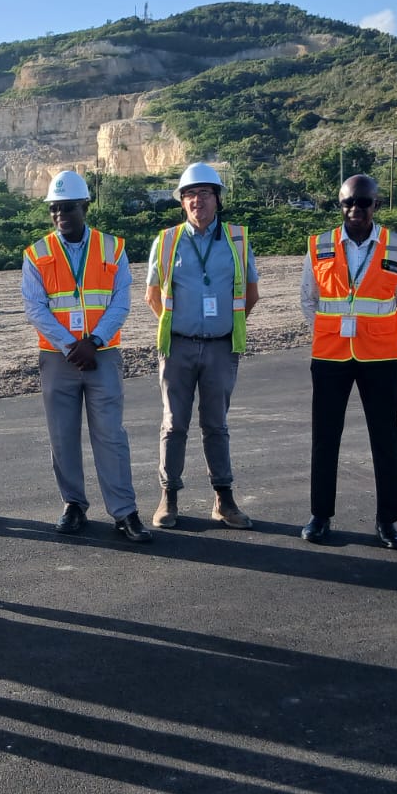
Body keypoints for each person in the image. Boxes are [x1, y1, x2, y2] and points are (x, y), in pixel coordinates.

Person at [21, 170, 150, 542]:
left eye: (68, 208)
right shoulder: (36, 253)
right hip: (58, 359)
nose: (60, 215)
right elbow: (35, 308)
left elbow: (121, 302)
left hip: (102, 355)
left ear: (85, 207)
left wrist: (93, 341)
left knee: (111, 435)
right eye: (54, 208)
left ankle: (124, 512)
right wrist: (71, 345)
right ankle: (73, 504)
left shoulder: (113, 249)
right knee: (62, 437)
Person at [299, 174, 397, 549]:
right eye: (348, 202)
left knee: (385, 438)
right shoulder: (320, 245)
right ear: (340, 205)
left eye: (363, 202)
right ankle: (320, 516)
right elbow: (308, 299)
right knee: (324, 437)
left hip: (380, 355)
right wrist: (330, 330)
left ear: (375, 204)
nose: (355, 209)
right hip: (330, 355)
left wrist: (377, 330)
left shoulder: (396, 246)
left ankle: (387, 521)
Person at [145, 163, 261, 530]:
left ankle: (224, 500)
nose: (198, 201)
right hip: (177, 347)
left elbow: (251, 294)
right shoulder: (166, 241)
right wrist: (182, 326)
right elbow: (152, 295)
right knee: (173, 424)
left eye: (205, 193)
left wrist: (219, 325)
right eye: (190, 195)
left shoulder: (238, 240)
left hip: (220, 349)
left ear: (218, 199)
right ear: (182, 202)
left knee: (216, 425)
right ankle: (169, 497)